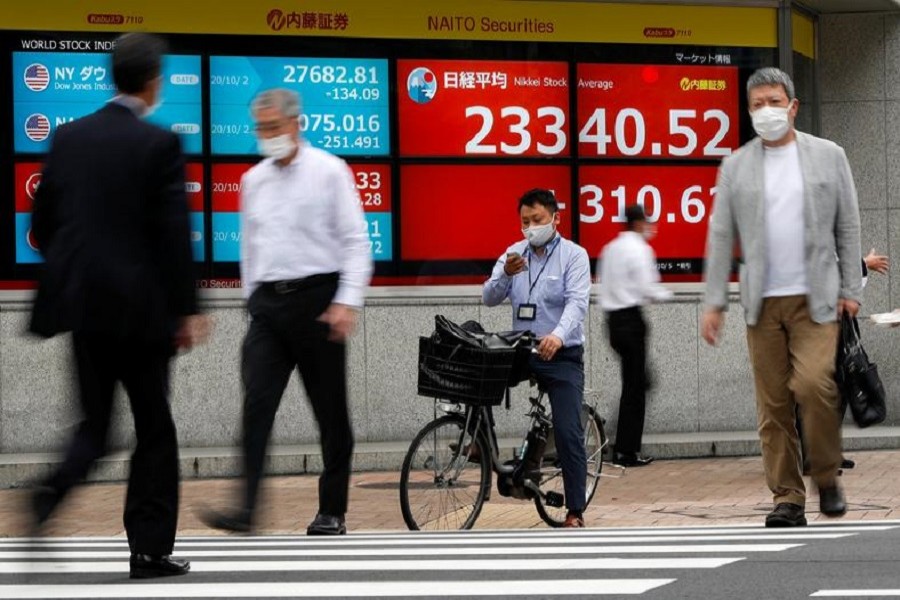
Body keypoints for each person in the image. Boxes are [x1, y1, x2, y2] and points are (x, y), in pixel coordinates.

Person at [28, 33, 207, 578]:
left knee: (95, 426)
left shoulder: (68, 139)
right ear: (152, 82)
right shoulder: (158, 145)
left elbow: (42, 225)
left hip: (84, 311)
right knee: (154, 429)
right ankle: (148, 550)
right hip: (143, 317)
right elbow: (173, 236)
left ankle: (50, 492)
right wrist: (187, 309)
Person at [202, 88, 373, 536]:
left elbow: (356, 241)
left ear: (297, 124)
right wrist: (251, 299)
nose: (266, 135)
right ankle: (247, 508)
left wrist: (346, 301)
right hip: (268, 308)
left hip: (319, 302)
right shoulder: (253, 180)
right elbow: (250, 246)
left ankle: (332, 509)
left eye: (273, 127)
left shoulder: (329, 172)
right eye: (260, 128)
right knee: (256, 403)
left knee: (330, 411)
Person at [702, 67, 862, 528]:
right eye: (757, 105)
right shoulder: (736, 166)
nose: (766, 111)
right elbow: (720, 235)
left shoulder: (829, 156)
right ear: (749, 111)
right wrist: (714, 301)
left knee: (813, 387)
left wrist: (851, 288)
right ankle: (787, 498)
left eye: (774, 102)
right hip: (762, 303)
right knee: (773, 405)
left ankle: (827, 475)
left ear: (792, 106)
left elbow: (847, 225)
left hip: (816, 299)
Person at [483, 188, 592, 528]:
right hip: (523, 348)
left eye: (538, 220)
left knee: (568, 430)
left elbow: (577, 303)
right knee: (479, 374)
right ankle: (478, 442)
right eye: (525, 222)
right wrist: (505, 275)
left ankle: (575, 510)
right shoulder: (513, 254)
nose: (530, 228)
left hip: (562, 352)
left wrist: (558, 336)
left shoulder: (574, 256)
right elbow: (488, 297)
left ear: (556, 218)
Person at [597, 204, 673, 467]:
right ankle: (626, 451)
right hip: (631, 320)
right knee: (636, 388)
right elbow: (647, 288)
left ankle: (619, 442)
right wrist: (668, 294)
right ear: (639, 223)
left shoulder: (610, 249)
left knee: (636, 383)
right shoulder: (640, 250)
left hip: (612, 322)